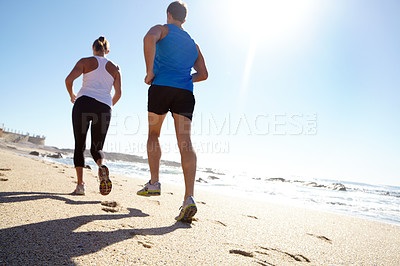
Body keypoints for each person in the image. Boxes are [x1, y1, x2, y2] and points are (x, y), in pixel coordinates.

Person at [137, 1, 208, 222]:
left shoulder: (163, 29)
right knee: (185, 141)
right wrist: (186, 78)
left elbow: (149, 38)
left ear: (168, 14)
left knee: (154, 135)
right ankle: (189, 198)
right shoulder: (193, 44)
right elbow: (204, 74)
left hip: (161, 88)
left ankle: (155, 182)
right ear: (184, 19)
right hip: (185, 93)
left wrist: (149, 73)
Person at [65, 36, 121, 196]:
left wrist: (72, 95)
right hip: (104, 107)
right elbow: (118, 93)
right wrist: (107, 106)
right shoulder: (115, 68)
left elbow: (68, 80)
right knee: (97, 148)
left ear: (93, 48)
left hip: (83, 103)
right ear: (107, 51)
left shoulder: (85, 61)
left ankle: (81, 185)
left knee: (79, 145)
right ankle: (101, 166)